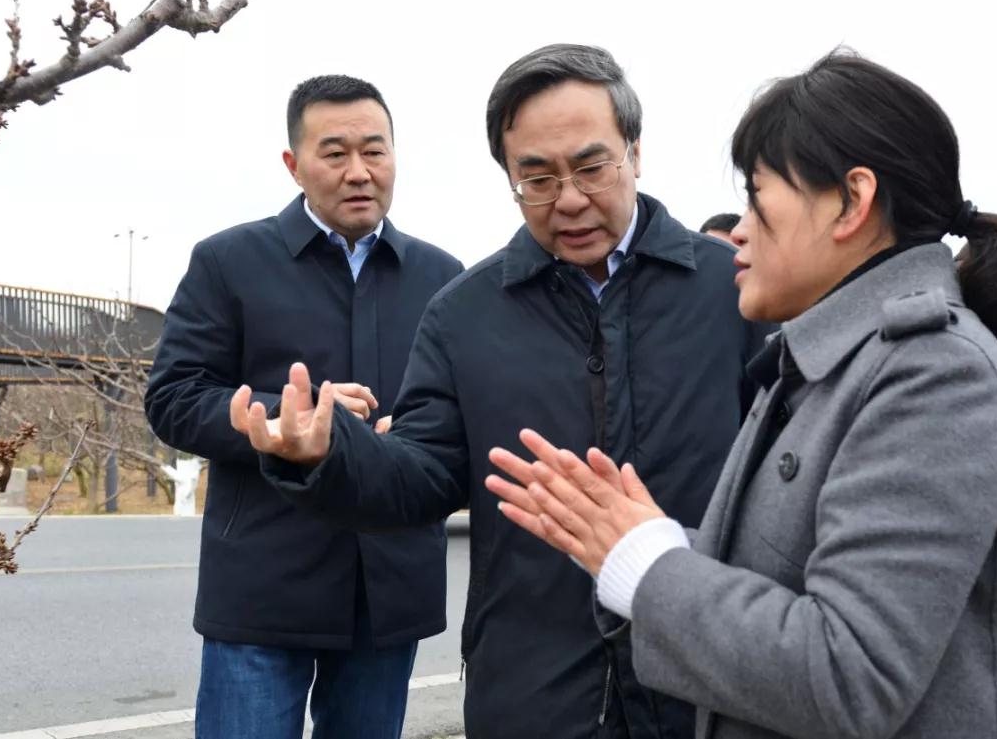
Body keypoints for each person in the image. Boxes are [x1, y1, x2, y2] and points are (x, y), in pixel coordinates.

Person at [486, 51, 997, 739]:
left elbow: (851, 675)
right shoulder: (838, 360)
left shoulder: (934, 376)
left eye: (757, 195)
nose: (739, 230)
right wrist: (632, 540)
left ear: (852, 201)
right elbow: (784, 579)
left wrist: (649, 565)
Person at [233, 44, 771, 739]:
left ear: (635, 153)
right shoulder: (464, 313)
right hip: (534, 693)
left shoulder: (735, 289)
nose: (569, 199)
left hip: (714, 687)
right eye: (536, 178)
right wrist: (327, 455)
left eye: (591, 167)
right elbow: (422, 475)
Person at [144, 74, 463, 739]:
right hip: (263, 583)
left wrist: (420, 432)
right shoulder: (229, 261)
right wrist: (293, 416)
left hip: (390, 582)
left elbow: (463, 413)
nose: (358, 171)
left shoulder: (443, 279)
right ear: (294, 164)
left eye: (374, 151)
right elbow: (174, 397)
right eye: (334, 153)